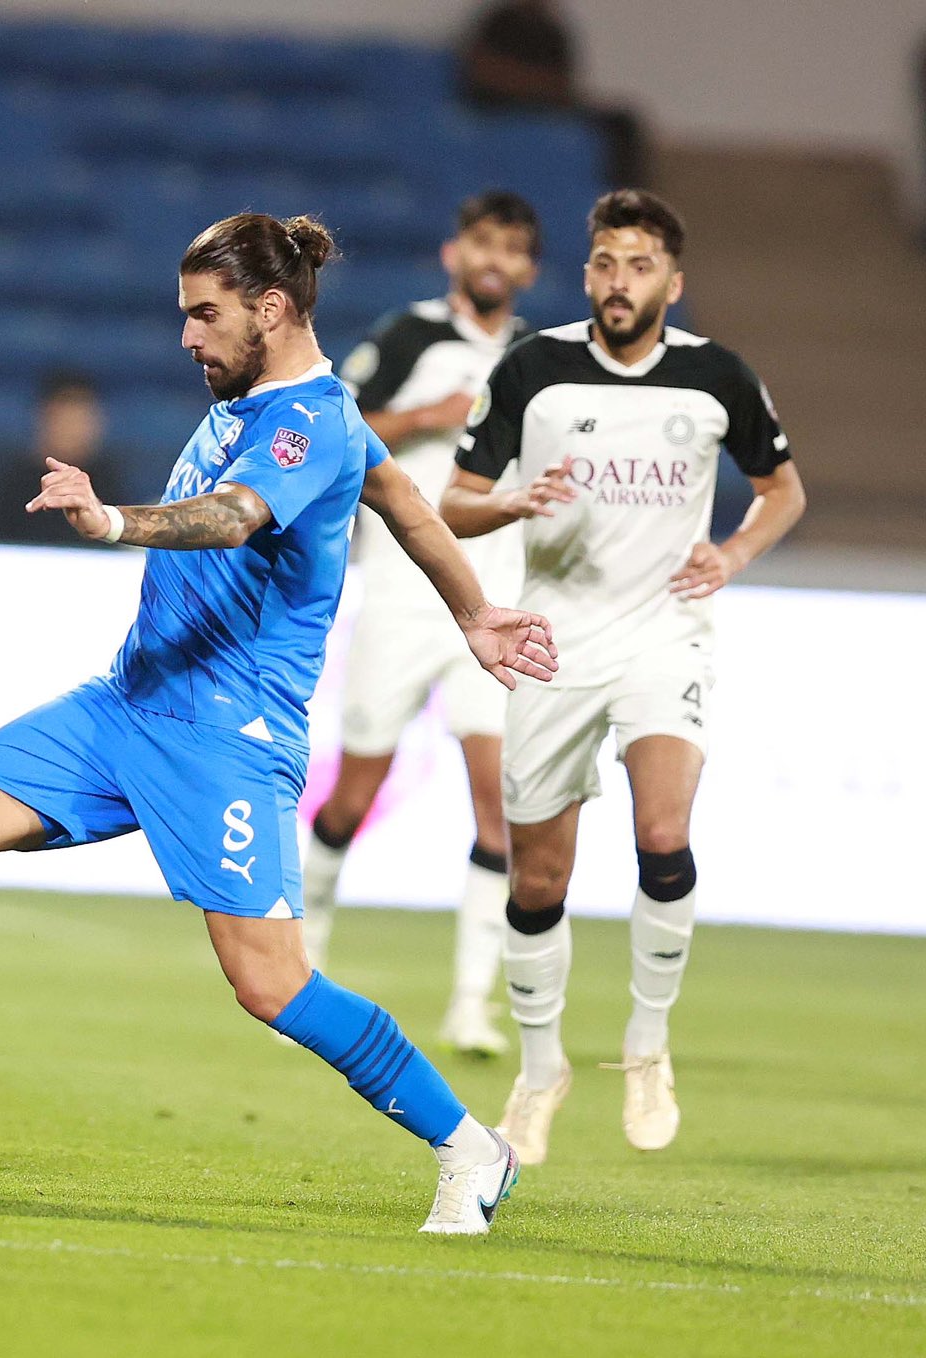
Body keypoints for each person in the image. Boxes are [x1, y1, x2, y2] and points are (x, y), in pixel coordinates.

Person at [0, 212, 561, 1235]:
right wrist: (471, 610)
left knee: (270, 983)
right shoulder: (275, 401)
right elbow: (403, 496)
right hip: (126, 701)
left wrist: (113, 521)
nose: (185, 337)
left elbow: (232, 516)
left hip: (227, 737)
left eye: (203, 314)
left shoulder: (305, 421)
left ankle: (469, 1146)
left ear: (269, 309)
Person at [441, 189, 805, 1164]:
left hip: (663, 638)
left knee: (660, 832)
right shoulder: (534, 369)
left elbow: (781, 489)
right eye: (603, 261)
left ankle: (644, 1042)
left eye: (636, 265)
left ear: (669, 283)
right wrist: (513, 502)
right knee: (539, 875)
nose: (616, 280)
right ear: (587, 272)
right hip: (552, 645)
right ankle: (538, 1064)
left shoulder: (715, 376)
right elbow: (451, 503)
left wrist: (727, 556)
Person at [304, 190, 541, 1056]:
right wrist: (424, 419)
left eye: (512, 249)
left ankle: (471, 1002)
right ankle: (305, 963)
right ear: (455, 253)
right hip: (404, 593)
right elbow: (333, 425)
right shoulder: (409, 335)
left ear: (528, 270)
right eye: (483, 242)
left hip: (496, 597)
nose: (495, 260)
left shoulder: (535, 357)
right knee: (352, 796)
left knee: (500, 805)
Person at [458, 0, 649, 188]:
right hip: (500, 101)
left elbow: (565, 83)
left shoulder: (553, 31)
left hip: (550, 104)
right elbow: (481, 70)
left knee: (622, 124)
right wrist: (533, 84)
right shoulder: (500, 22)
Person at [0, 371, 126, 548]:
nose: (71, 430)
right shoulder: (14, 480)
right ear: (45, 418)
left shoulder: (108, 479)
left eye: (79, 420)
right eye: (65, 419)